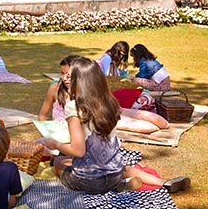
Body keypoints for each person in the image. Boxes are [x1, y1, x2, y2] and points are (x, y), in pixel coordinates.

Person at [44, 57, 190, 194]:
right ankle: (164, 183)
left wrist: (55, 144)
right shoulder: (109, 101)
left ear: (78, 81)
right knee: (126, 169)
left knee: (58, 161)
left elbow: (78, 151)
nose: (66, 79)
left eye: (70, 75)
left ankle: (118, 186)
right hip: (114, 172)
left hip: (89, 182)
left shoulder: (73, 107)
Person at [38, 55, 79, 122]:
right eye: (62, 73)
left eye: (68, 75)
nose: (65, 78)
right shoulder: (55, 89)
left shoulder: (87, 92)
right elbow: (42, 116)